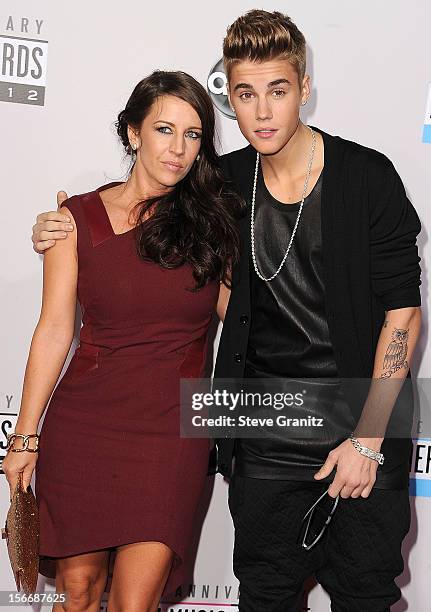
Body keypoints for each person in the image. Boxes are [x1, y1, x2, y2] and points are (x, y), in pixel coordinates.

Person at [30, 10, 422, 612]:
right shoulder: (223, 185)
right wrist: (62, 224)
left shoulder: (367, 178)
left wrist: (367, 438)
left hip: (360, 427)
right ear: (230, 98)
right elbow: (136, 218)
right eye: (245, 94)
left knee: (365, 597)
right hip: (262, 433)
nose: (262, 112)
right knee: (264, 599)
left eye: (278, 91)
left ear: (304, 90)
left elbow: (403, 313)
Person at [4, 70, 241, 612]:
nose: (178, 148)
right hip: (85, 426)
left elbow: (245, 319)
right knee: (80, 596)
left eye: (193, 134)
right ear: (133, 133)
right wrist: (24, 437)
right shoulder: (75, 220)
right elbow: (54, 331)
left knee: (136, 604)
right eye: (164, 129)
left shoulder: (210, 223)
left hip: (169, 434)